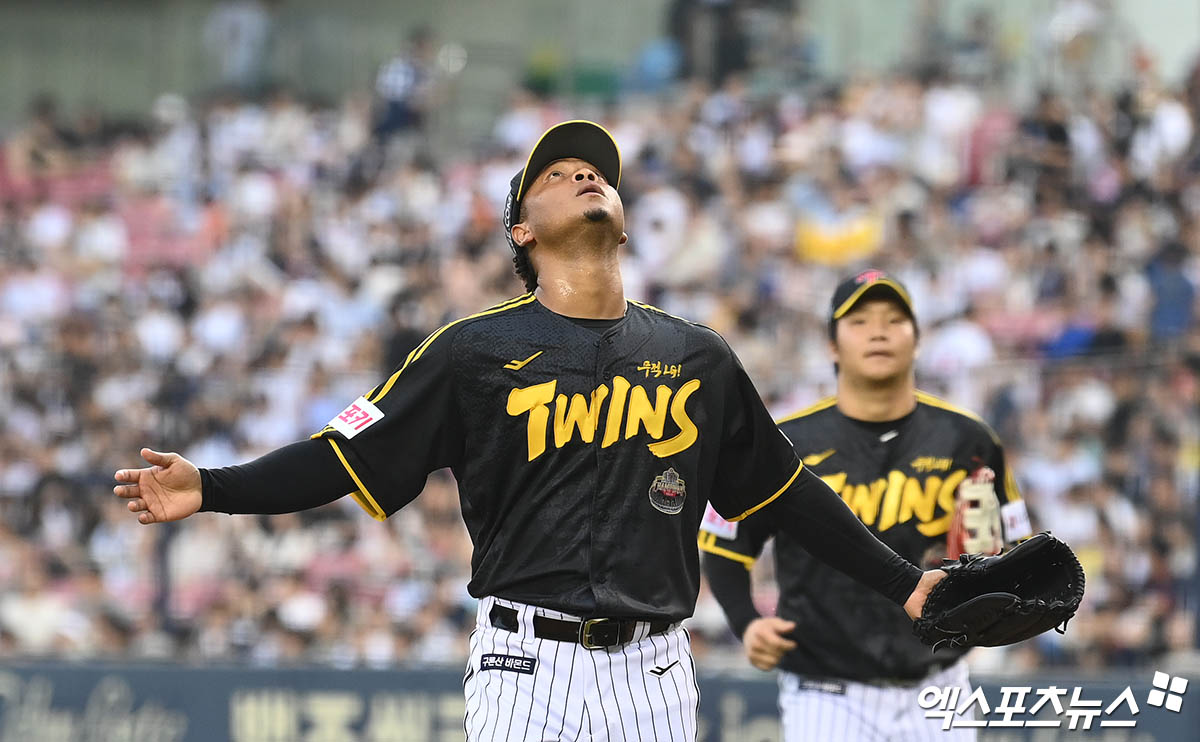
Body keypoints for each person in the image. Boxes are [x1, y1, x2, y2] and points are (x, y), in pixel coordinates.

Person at [113, 122, 946, 742]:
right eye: (557, 172)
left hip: (653, 671)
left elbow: (787, 493)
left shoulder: (698, 358)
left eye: (598, 172)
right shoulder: (471, 351)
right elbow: (343, 455)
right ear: (521, 228)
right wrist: (214, 489)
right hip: (522, 666)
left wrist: (906, 582)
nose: (587, 173)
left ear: (622, 223)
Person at [700, 269, 1034, 742]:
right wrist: (746, 621)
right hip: (825, 687)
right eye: (859, 321)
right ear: (832, 345)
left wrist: (997, 577)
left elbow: (1014, 547)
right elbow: (725, 542)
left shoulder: (970, 439)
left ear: (917, 340)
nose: (878, 330)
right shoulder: (787, 440)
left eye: (895, 319)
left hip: (939, 684)